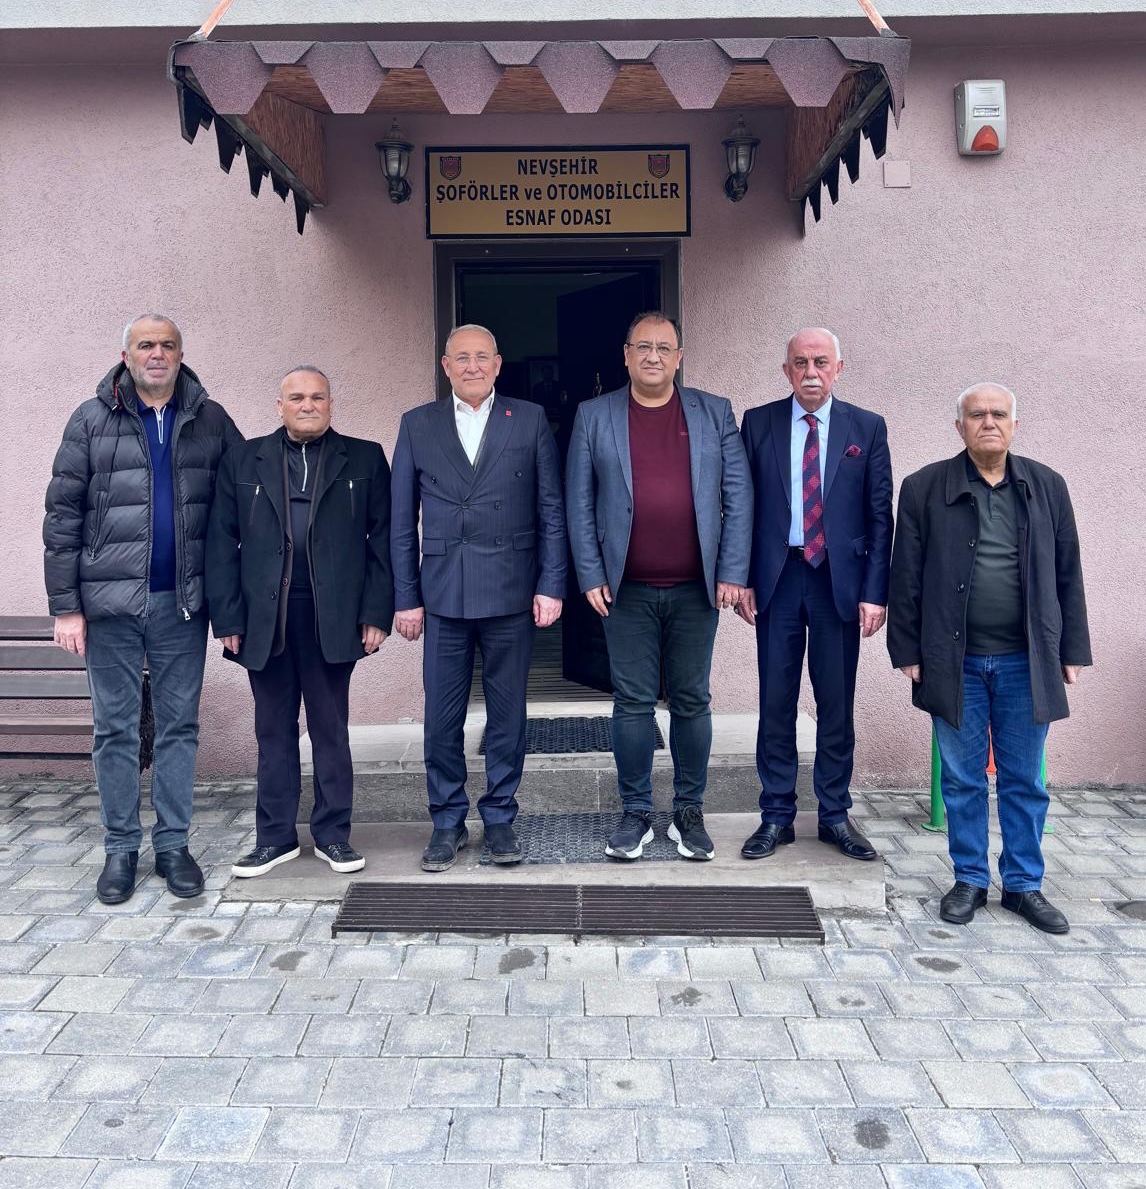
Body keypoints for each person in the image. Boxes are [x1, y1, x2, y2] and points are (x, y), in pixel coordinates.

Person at [43, 314, 241, 904]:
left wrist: (232, 603)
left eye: (167, 345)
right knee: (115, 729)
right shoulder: (90, 418)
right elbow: (62, 517)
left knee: (180, 726)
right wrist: (65, 607)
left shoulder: (210, 419)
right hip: (108, 606)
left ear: (181, 354)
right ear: (126, 354)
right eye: (146, 345)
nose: (157, 353)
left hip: (183, 605)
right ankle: (121, 849)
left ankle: (173, 846)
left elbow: (239, 510)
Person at [887, 383, 1091, 934]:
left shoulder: (1047, 486)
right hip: (955, 662)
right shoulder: (924, 487)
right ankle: (970, 879)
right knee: (962, 779)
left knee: (1025, 780)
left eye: (999, 414)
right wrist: (907, 649)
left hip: (1027, 660)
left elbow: (1068, 571)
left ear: (1015, 425)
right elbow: (905, 574)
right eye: (976, 415)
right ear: (960, 427)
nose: (988, 422)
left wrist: (1072, 648)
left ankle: (1023, 885)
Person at [565, 311, 752, 862]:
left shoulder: (714, 412)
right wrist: (590, 573)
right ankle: (636, 813)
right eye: (642, 347)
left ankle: (689, 812)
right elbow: (579, 501)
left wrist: (732, 571)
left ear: (679, 357)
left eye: (664, 347)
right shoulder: (594, 415)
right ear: (625, 355)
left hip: (698, 589)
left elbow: (739, 496)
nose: (653, 356)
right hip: (625, 590)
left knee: (692, 699)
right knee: (633, 701)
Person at [392, 325, 567, 872]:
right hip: (442, 594)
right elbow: (401, 522)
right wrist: (406, 596)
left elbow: (552, 509)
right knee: (440, 719)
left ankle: (499, 817)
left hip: (511, 589)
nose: (472, 366)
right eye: (461, 357)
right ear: (446, 365)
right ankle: (447, 820)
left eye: (481, 357)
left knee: (507, 715)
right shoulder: (417, 424)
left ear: (498, 364)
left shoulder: (529, 418)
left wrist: (551, 583)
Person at [205, 367, 391, 877]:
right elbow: (220, 543)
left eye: (317, 397)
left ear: (331, 404)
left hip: (335, 617)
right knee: (273, 732)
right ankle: (275, 838)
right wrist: (227, 616)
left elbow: (383, 540)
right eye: (297, 398)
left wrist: (376, 613)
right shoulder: (243, 459)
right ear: (279, 405)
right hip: (265, 618)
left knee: (330, 729)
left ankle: (333, 836)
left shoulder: (366, 458)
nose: (308, 405)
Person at [739, 328, 893, 862]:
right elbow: (741, 505)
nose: (810, 372)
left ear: (838, 368)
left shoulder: (867, 427)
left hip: (838, 584)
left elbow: (880, 515)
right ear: (786, 370)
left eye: (821, 362)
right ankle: (775, 815)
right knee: (775, 702)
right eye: (800, 362)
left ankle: (834, 815)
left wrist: (875, 592)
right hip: (777, 580)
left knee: (836, 703)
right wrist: (741, 576)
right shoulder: (758, 423)